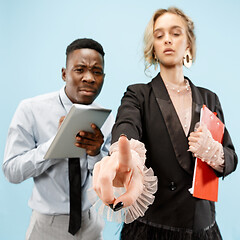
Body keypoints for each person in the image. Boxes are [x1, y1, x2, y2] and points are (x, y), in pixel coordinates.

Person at [92, 7, 238, 240]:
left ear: (188, 45)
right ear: (153, 48)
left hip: (203, 228)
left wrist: (212, 150)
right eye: (159, 36)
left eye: (175, 33)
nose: (167, 39)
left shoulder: (210, 99)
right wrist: (124, 157)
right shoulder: (138, 95)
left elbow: (231, 160)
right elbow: (127, 125)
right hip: (153, 228)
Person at [3, 38, 114, 240]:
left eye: (96, 72)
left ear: (103, 77)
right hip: (47, 226)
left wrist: (96, 154)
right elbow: (12, 171)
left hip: (91, 224)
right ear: (64, 74)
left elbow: (109, 182)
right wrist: (57, 143)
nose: (89, 78)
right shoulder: (30, 110)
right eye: (80, 69)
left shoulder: (105, 119)